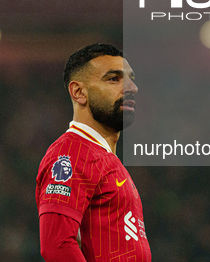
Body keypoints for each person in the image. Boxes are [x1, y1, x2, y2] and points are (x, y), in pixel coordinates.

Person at [35, 43, 151, 261]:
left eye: (131, 78)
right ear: (79, 92)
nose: (131, 88)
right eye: (114, 79)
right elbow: (56, 245)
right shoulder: (72, 153)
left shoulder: (103, 158)